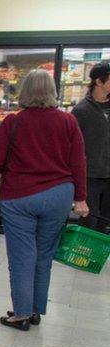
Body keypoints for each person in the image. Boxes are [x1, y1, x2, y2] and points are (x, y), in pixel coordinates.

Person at [0, 69, 88, 331]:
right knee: (44, 255)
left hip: (20, 196)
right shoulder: (68, 121)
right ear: (53, 91)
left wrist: (15, 166)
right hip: (59, 195)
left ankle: (20, 314)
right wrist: (81, 198)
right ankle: (34, 310)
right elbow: (78, 162)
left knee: (22, 256)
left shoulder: (14, 122)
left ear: (25, 92)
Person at [71, 61, 110, 230]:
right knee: (89, 223)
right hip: (89, 177)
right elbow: (73, 147)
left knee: (106, 224)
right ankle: (85, 256)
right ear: (99, 81)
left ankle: (99, 257)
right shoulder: (81, 111)